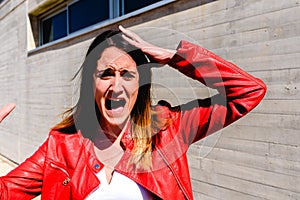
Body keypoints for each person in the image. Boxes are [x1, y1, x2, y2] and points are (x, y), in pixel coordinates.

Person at [0, 25, 266, 200]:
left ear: (141, 83)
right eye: (106, 74)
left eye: (127, 74)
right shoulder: (60, 145)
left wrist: (176, 57)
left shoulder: (168, 128)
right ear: (90, 83)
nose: (117, 86)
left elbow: (248, 92)